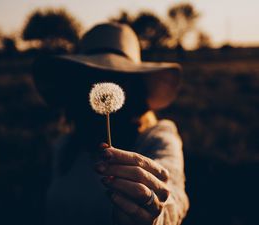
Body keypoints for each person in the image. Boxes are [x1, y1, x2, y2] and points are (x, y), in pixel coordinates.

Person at [32, 22, 189, 225]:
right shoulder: (65, 147)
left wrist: (153, 214)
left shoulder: (157, 138)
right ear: (76, 85)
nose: (102, 82)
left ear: (134, 87)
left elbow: (173, 196)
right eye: (90, 75)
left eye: (116, 77)